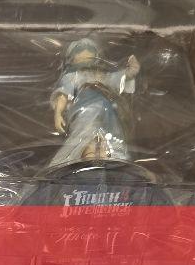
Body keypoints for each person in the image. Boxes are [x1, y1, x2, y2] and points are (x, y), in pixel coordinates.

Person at [48, 36, 139, 170]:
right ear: (73, 59)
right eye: (81, 56)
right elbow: (63, 95)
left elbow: (119, 79)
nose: (85, 60)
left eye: (89, 56)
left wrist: (130, 72)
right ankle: (85, 157)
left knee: (108, 136)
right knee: (85, 135)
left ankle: (111, 157)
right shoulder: (72, 76)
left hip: (107, 110)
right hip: (85, 110)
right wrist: (58, 114)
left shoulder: (102, 76)